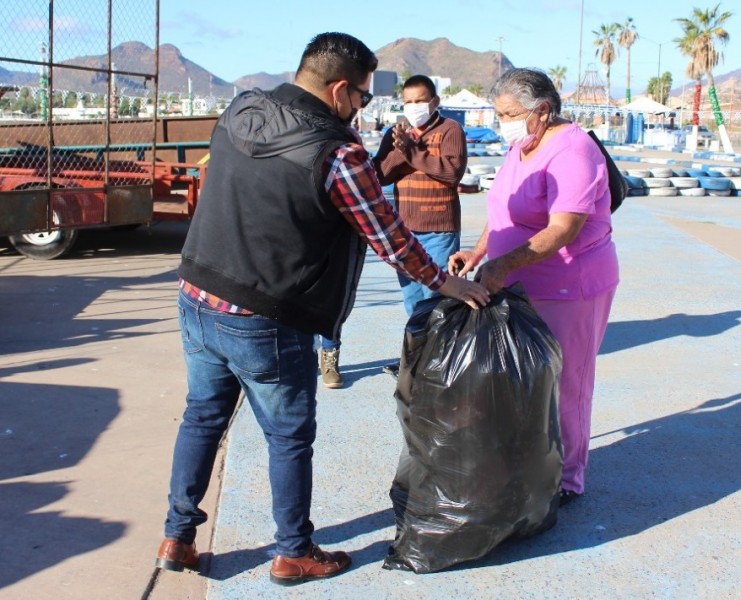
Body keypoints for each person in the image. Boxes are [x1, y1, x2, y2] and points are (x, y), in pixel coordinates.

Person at [155, 32, 490, 586]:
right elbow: (389, 237)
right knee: (288, 436)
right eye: (361, 96)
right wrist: (444, 284)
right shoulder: (336, 153)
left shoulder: (242, 108)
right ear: (339, 90)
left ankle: (178, 536)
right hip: (265, 314)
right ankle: (293, 551)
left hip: (196, 297)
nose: (362, 108)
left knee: (202, 417)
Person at [448, 68, 619, 508]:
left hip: (569, 286)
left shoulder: (573, 151)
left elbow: (564, 228)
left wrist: (504, 263)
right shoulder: (521, 144)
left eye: (508, 113)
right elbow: (504, 207)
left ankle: (567, 476)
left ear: (542, 110)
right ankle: (531, 461)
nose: (500, 121)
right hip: (518, 283)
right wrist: (480, 251)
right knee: (524, 379)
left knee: (565, 381)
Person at [373, 75, 468, 377]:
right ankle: (416, 360)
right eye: (409, 101)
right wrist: (402, 151)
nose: (414, 107)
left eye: (420, 101)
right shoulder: (395, 134)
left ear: (435, 102)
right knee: (412, 298)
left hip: (439, 230)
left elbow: (452, 172)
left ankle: (439, 363)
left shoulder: (450, 130)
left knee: (436, 297)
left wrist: (414, 153)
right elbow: (379, 175)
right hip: (404, 231)